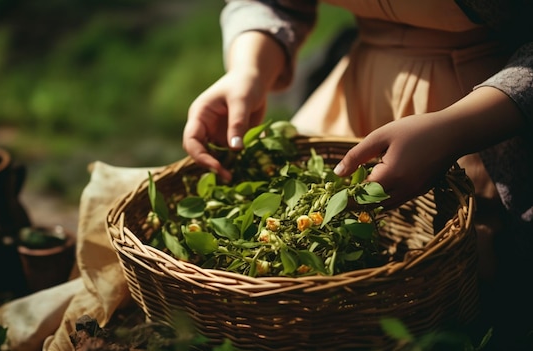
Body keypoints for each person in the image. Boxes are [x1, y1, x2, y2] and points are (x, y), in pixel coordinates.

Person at [182, 0, 533, 349]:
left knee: (470, 297)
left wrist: (453, 131)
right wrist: (249, 70)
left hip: (480, 111)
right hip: (354, 91)